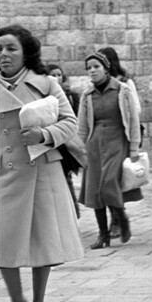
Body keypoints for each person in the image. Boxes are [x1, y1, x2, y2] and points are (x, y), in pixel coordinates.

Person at [0, 24, 84, 302]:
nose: (4, 55)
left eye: (11, 48)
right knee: (2, 242)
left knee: (41, 241)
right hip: (3, 171)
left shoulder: (46, 83)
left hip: (41, 171)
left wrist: (43, 135)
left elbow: (70, 123)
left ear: (25, 53)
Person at [77, 51, 142, 249]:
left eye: (96, 67)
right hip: (95, 143)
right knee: (95, 189)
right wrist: (81, 151)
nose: (92, 71)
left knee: (109, 184)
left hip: (117, 142)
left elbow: (133, 120)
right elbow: (82, 126)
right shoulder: (87, 95)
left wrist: (133, 148)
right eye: (89, 68)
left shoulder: (122, 90)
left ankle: (121, 217)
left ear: (106, 68)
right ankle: (103, 234)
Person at [98, 47, 143, 238]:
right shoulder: (96, 85)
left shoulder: (125, 82)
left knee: (114, 179)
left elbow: (136, 110)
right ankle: (116, 217)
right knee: (103, 181)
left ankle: (118, 218)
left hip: (121, 137)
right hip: (101, 140)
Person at [46, 63, 83, 218]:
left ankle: (74, 214)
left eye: (59, 74)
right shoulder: (44, 96)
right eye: (53, 75)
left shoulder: (71, 96)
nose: (56, 78)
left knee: (66, 178)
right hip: (52, 143)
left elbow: (74, 119)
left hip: (67, 144)